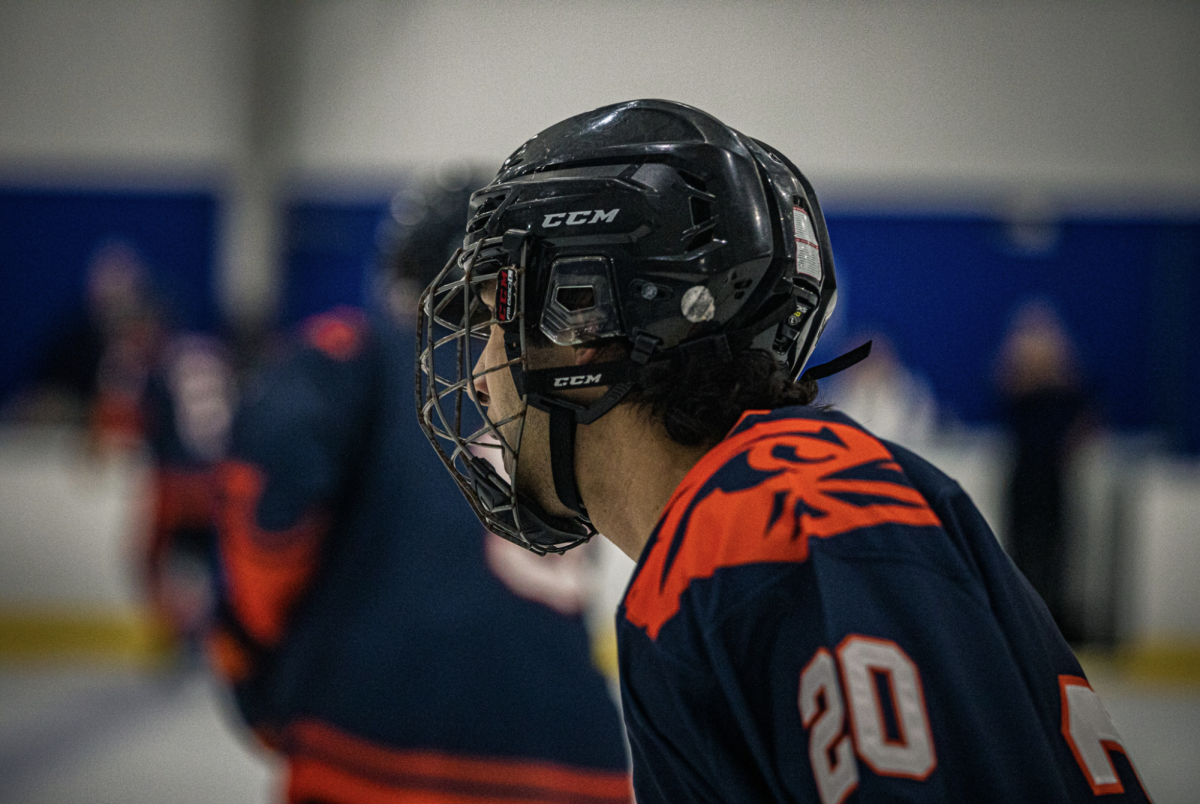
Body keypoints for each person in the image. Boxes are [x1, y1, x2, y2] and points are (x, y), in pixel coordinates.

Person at [416, 100, 1151, 802]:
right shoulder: (743, 519)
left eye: (491, 320)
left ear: (584, 316)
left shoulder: (769, 522)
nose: (480, 378)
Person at [208, 173, 631, 804]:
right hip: (579, 746)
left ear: (405, 272)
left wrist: (255, 659)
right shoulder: (565, 379)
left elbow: (270, 511)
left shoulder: (360, 351)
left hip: (385, 737)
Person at [996, 299, 1093, 643]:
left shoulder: (1066, 390)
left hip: (1051, 481)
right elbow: (1006, 394)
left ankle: (1052, 620)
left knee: (1054, 553)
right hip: (1025, 479)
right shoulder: (1017, 387)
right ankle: (1022, 619)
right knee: (1020, 551)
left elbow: (1083, 426)